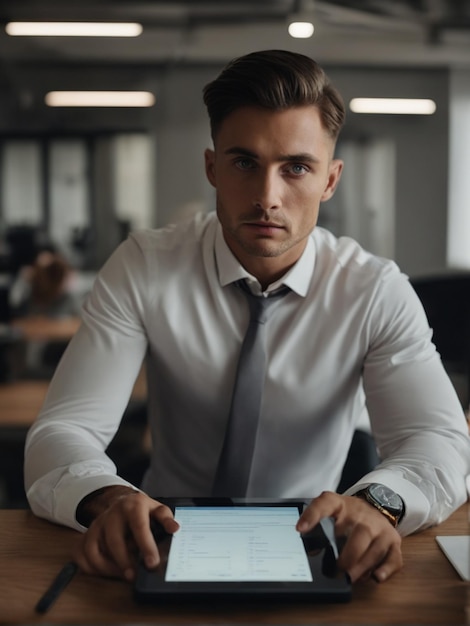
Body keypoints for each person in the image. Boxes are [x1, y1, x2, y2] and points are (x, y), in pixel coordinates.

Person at [25, 49, 470, 585]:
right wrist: (107, 496)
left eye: (296, 168)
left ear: (330, 180)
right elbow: (64, 429)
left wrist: (379, 504)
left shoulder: (374, 289)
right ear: (213, 167)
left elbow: (437, 440)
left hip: (315, 544)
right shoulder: (145, 264)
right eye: (244, 163)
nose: (267, 197)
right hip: (158, 535)